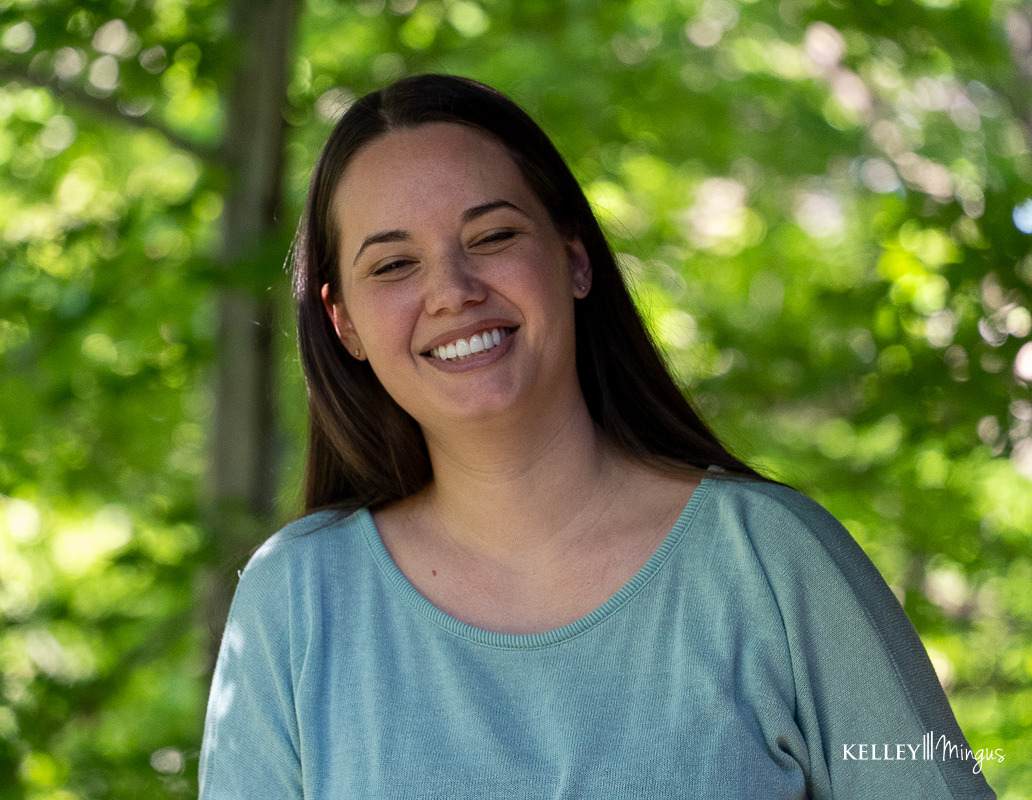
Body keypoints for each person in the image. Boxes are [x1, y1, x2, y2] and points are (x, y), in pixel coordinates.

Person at [198, 74, 995, 799]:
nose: (452, 291)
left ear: (575, 260)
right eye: (394, 265)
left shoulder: (774, 563)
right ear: (345, 325)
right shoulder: (299, 603)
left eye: (493, 237)